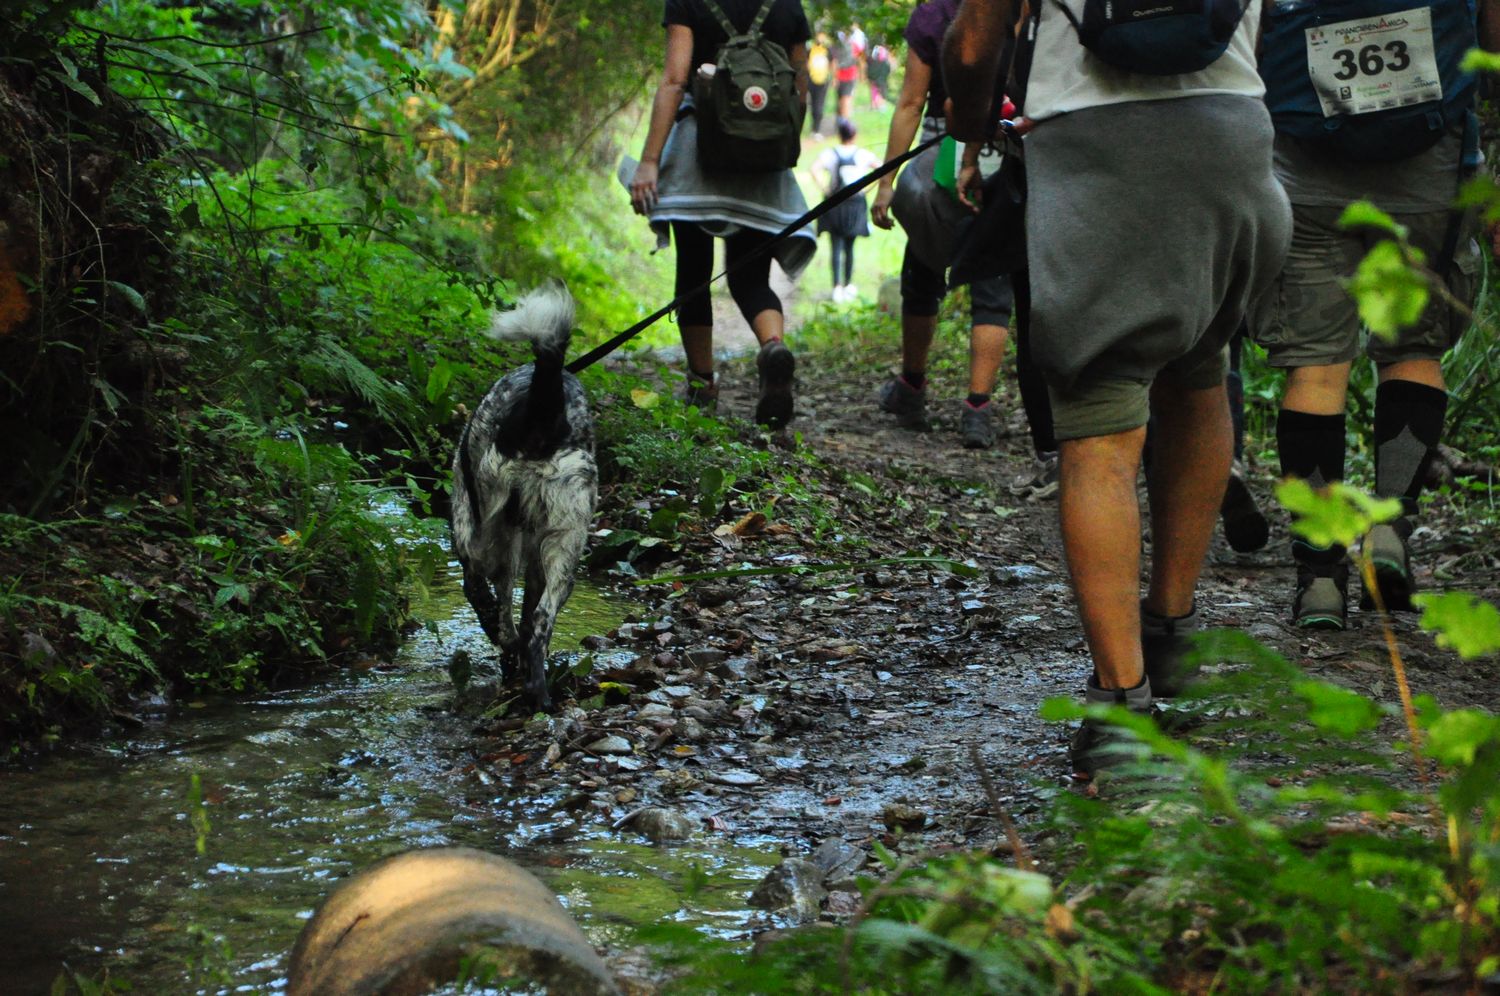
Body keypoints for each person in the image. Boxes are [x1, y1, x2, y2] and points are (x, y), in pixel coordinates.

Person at [945, 0, 1291, 778]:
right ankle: (1170, 633)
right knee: (1199, 370)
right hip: (1235, 136)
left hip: (1099, 150)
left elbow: (969, 50)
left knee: (1100, 421)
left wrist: (970, 125)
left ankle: (1123, 706)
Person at [1248, 0, 1496, 628]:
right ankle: (1389, 533)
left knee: (1315, 366)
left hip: (1303, 159)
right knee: (1412, 349)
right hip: (1429, 158)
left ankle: (1319, 578)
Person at [628, 0, 814, 429]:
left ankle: (702, 384)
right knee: (751, 277)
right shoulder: (787, 4)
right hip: (763, 161)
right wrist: (780, 144)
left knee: (694, 271)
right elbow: (799, 84)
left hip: (699, 153)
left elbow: (675, 80)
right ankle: (772, 347)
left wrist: (650, 160)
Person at [872, 0, 1016, 450]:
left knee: (922, 269)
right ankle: (977, 408)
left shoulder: (935, 13)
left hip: (940, 147)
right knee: (993, 282)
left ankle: (912, 387)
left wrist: (887, 182)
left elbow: (911, 102)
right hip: (1006, 146)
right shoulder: (1022, 9)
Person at [812, 117, 879, 303]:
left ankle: (837, 287)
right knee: (850, 247)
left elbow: (814, 169)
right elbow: (881, 169)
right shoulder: (863, 154)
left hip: (835, 205)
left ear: (839, 134)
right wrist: (867, 190)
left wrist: (825, 189)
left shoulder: (830, 154)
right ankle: (848, 285)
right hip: (855, 206)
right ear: (854, 135)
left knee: (836, 246)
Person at [807, 31, 833, 136]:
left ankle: (817, 129)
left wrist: (833, 78)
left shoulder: (828, 50)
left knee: (819, 105)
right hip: (811, 80)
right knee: (813, 105)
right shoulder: (810, 50)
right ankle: (813, 129)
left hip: (823, 81)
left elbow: (832, 63)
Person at [833, 31, 860, 119]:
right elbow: (859, 60)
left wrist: (834, 78)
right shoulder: (854, 46)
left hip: (839, 75)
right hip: (850, 75)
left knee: (841, 98)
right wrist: (859, 74)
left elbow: (835, 62)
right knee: (847, 98)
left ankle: (841, 119)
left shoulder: (838, 46)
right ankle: (845, 120)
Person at [867, 43, 893, 111]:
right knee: (881, 92)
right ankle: (879, 105)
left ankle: (874, 105)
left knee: (874, 92)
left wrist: (870, 78)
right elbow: (888, 71)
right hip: (882, 81)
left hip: (875, 80)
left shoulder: (873, 62)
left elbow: (870, 72)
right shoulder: (886, 63)